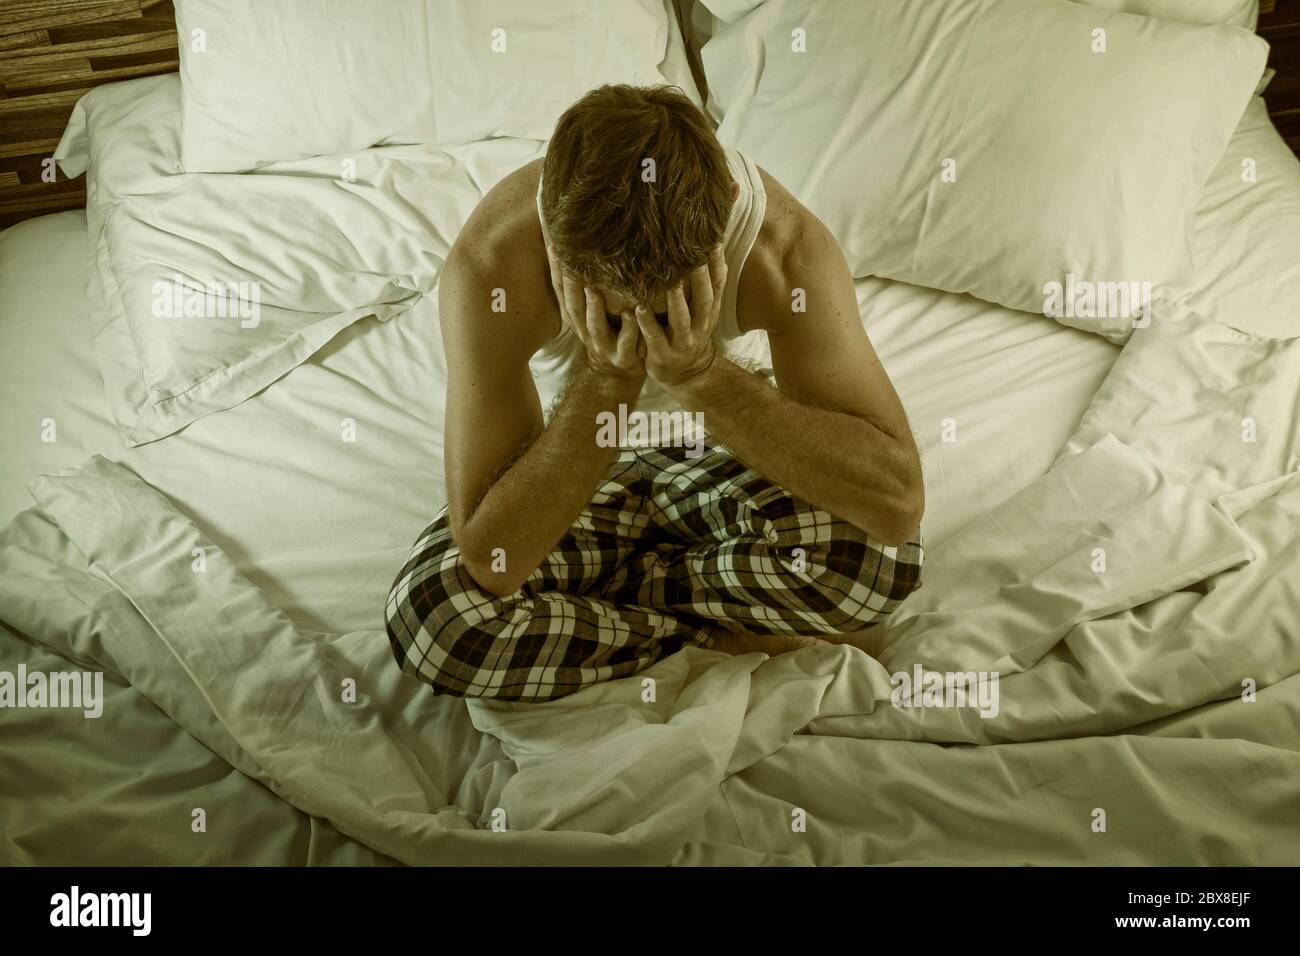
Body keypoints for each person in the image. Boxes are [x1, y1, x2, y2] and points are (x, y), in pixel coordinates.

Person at [387, 84, 924, 702]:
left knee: (878, 563)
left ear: (723, 211)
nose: (643, 319)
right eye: (612, 302)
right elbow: (494, 558)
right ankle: (725, 631)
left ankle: (606, 610)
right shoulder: (491, 264)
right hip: (581, 478)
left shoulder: (788, 251)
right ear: (552, 231)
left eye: (667, 297)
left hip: (721, 466)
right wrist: (607, 379)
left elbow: (896, 503)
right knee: (433, 621)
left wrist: (699, 374)